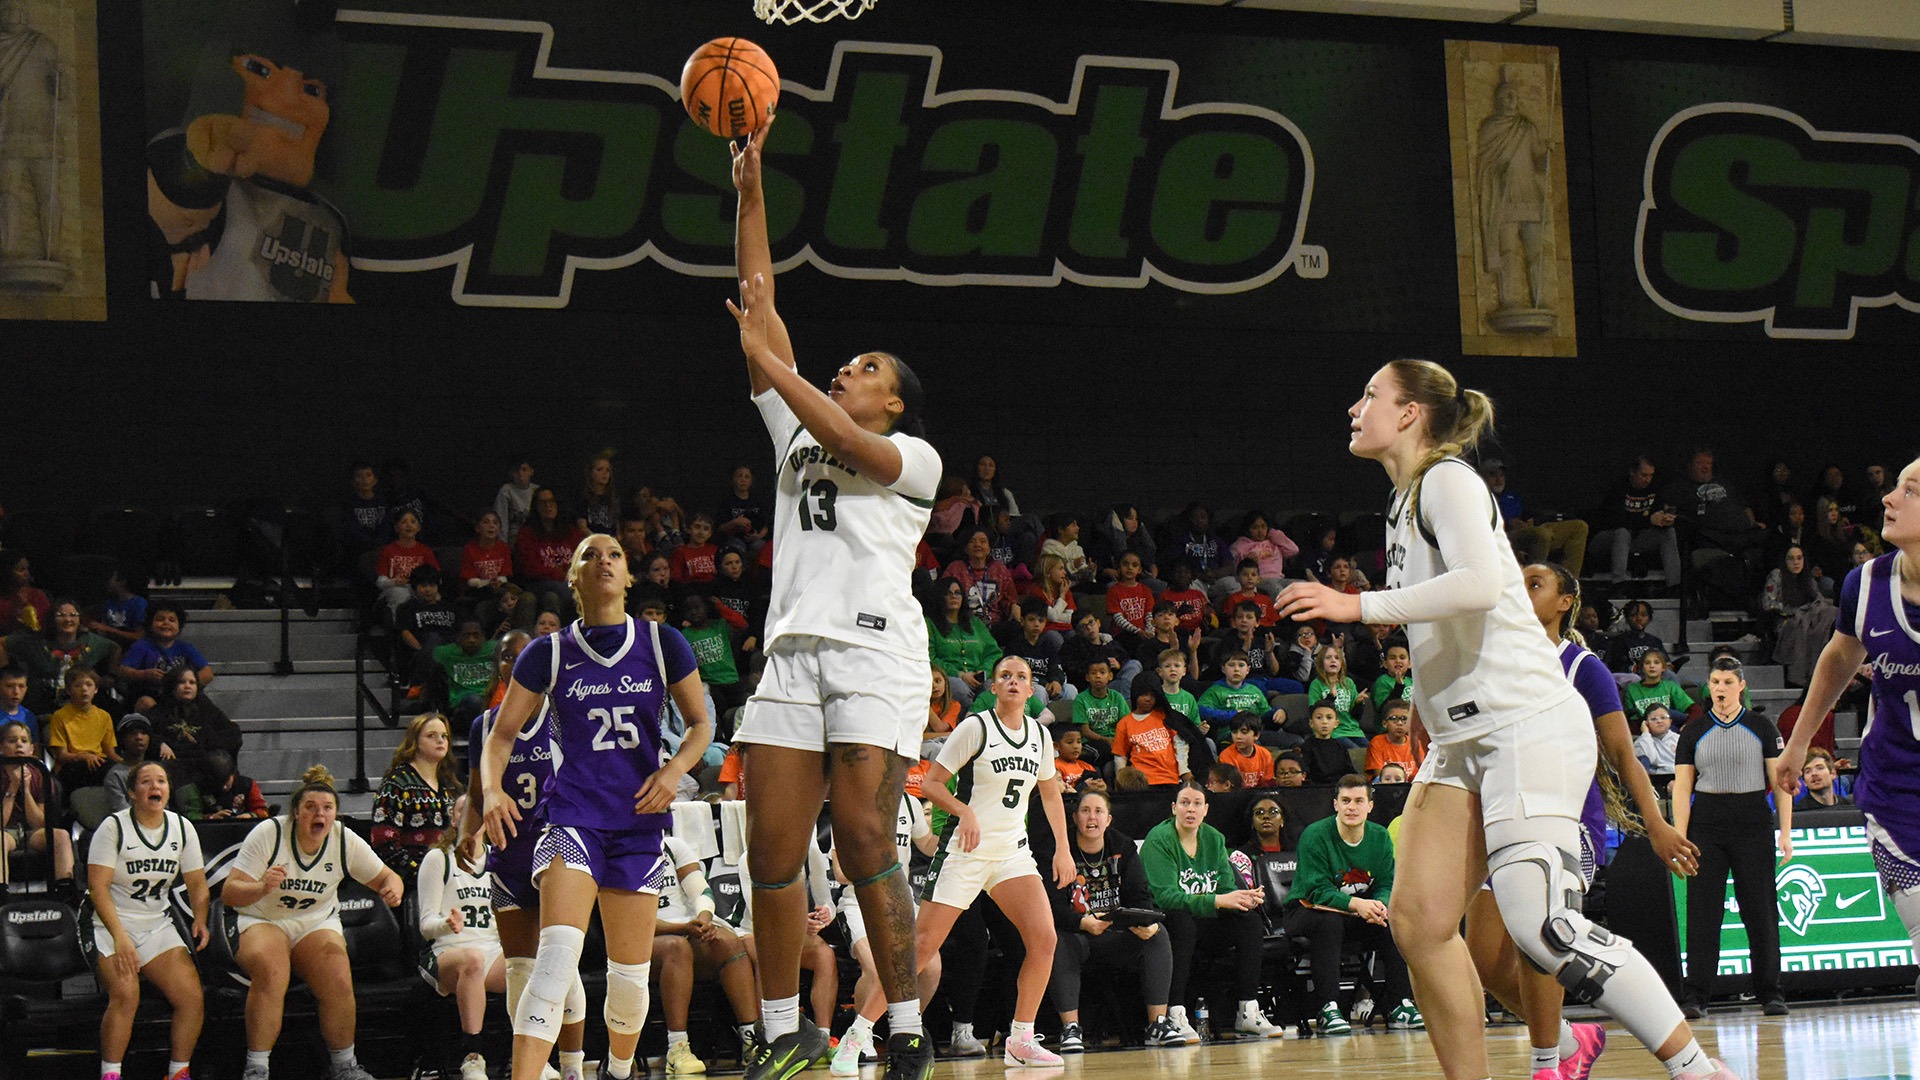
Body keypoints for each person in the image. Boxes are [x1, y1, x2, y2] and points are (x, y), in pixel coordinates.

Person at [1275, 359, 1737, 1080]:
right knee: (1419, 923)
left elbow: (1483, 584)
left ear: (1409, 414)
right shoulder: (1401, 504)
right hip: (1463, 740)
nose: (1353, 408)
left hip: (1525, 724)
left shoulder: (1447, 479)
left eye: (1370, 395)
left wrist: (1357, 605)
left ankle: (1699, 1070)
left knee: (1543, 928)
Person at [728, 119, 949, 1080]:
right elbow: (760, 299)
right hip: (792, 650)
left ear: (893, 402)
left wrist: (770, 365)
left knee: (864, 836)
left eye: (866, 370)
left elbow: (826, 419)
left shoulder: (914, 459)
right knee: (768, 857)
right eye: (844, 363)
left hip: (875, 651)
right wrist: (750, 188)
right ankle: (784, 1033)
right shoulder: (792, 431)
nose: (845, 371)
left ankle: (903, 1023)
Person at [480, 534, 710, 1080]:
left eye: (614, 555)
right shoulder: (548, 652)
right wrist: (492, 791)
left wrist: (674, 771)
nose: (602, 561)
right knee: (555, 959)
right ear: (573, 577)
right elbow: (500, 735)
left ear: (629, 576)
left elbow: (702, 725)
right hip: (573, 817)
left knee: (629, 980)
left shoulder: (662, 642)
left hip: (638, 823)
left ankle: (618, 1072)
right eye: (589, 554)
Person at [1470, 561, 1706, 1080]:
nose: (1521, 591)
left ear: (1564, 602)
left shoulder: (1583, 667)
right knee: (1486, 963)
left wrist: (1657, 823)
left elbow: (1624, 755)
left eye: (1536, 584)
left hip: (1569, 819)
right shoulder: (1496, 662)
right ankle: (1577, 1038)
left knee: (1541, 936)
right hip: (1505, 817)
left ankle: (1547, 1062)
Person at [838, 657, 1074, 1065]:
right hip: (964, 853)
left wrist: (1064, 849)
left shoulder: (1039, 734)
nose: (1014, 682)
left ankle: (1021, 1038)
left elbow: (1051, 795)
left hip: (1011, 853)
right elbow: (930, 784)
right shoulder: (975, 727)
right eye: (1006, 677)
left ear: (1032, 688)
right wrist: (963, 811)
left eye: (1022, 677)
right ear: (994, 687)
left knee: (1044, 940)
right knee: (922, 949)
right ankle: (856, 1036)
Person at [1772, 458, 1920, 991]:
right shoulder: (1867, 582)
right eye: (1895, 486)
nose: (1890, 499)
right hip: (1898, 784)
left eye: (1911, 490)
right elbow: (1837, 659)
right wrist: (1798, 744)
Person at [460, 632, 589, 1080]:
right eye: (506, 656)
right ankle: (537, 1070)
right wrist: (467, 833)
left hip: (557, 855)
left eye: (522, 654)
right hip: (508, 857)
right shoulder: (485, 727)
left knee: (559, 965)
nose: (515, 662)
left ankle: (572, 1068)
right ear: (498, 668)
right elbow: (477, 795)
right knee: (520, 968)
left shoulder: (564, 717)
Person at [223, 766, 406, 1080]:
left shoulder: (343, 839)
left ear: (335, 814)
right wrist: (260, 887)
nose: (319, 814)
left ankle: (345, 1066)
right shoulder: (270, 833)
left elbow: (389, 877)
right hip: (262, 917)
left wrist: (394, 889)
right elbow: (229, 892)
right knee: (272, 970)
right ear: (296, 812)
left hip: (313, 921)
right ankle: (256, 1068)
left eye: (327, 808)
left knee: (337, 976)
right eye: (310, 807)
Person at [1673, 657, 1791, 1018]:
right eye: (1714, 681)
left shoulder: (1761, 726)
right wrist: (1679, 837)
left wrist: (1785, 832)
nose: (1720, 688)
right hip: (1706, 824)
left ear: (1741, 685)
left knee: (1760, 909)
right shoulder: (1693, 731)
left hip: (1753, 822)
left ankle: (1770, 991)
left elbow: (1782, 782)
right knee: (1703, 911)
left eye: (1727, 681)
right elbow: (1682, 788)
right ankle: (1696, 994)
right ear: (1708, 686)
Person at [85, 761, 211, 1080]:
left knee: (192, 998)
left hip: (156, 922)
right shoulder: (113, 827)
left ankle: (178, 1071)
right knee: (126, 994)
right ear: (131, 793)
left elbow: (197, 883)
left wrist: (200, 918)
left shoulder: (182, 828)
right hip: (108, 920)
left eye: (161, 781)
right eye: (145, 782)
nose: (155, 786)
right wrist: (120, 937)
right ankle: (111, 1074)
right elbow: (97, 887)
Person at [1044, 788, 1189, 1051]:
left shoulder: (1123, 846)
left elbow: (1140, 894)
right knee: (1058, 941)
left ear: (1108, 819)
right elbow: (1051, 906)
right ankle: (1071, 1028)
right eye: (1086, 811)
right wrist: (1082, 922)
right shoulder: (1060, 850)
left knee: (1158, 934)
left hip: (1117, 932)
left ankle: (1157, 1023)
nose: (1092, 817)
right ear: (1075, 817)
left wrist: (1145, 921)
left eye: (1099, 811)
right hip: (1079, 935)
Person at [1140, 781, 1282, 1040]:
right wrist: (1219, 900)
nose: (1190, 809)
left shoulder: (1214, 838)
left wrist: (1244, 899)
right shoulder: (1159, 840)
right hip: (1169, 922)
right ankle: (1175, 1013)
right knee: (1182, 923)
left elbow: (1226, 888)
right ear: (1174, 808)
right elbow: (1166, 897)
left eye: (1196, 804)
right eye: (1184, 803)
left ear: (1205, 809)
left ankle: (1247, 1011)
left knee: (1249, 923)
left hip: (1206, 921)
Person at [1286, 775, 1420, 1035]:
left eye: (1359, 801)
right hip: (1305, 912)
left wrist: (1379, 905)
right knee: (1329, 922)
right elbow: (1317, 891)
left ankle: (1399, 1005)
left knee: (1394, 919)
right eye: (1345, 800)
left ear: (1370, 806)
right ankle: (1328, 1008)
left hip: (1355, 914)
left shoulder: (1379, 837)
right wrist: (1357, 904)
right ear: (1335, 804)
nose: (1352, 807)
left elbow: (1386, 882)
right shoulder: (1315, 835)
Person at [650, 833, 762, 1073]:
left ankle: (750, 1040)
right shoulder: (618, 849)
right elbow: (632, 920)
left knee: (728, 942)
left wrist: (703, 919)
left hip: (686, 930)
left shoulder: (672, 847)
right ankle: (677, 1048)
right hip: (641, 939)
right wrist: (681, 928)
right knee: (676, 948)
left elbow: (703, 892)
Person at [417, 799, 508, 1080]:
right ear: (454, 820)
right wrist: (447, 925)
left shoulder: (500, 859)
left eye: (478, 810)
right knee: (473, 960)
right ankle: (472, 1057)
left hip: (492, 950)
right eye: (463, 811)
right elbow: (425, 926)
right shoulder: (438, 858)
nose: (472, 816)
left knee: (531, 962)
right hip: (446, 952)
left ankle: (533, 1054)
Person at [371, 712, 461, 885]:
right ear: (415, 741)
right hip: (412, 882)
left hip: (452, 878)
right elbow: (383, 841)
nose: (440, 740)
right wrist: (419, 874)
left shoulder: (450, 784)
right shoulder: (398, 783)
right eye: (431, 736)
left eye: (444, 736)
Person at [0, 597, 120, 714]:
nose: (68, 619)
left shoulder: (91, 642)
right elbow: (2, 643)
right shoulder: (35, 641)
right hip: (40, 710)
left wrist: (111, 675)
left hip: (78, 713)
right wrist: (6, 672)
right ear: (52, 619)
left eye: (73, 615)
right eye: (61, 615)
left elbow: (115, 648)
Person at [1, 718, 76, 898]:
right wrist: (12, 787)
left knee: (61, 835)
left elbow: (40, 822)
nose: (19, 745)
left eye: (24, 741)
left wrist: (25, 789)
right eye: (12, 741)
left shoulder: (40, 774)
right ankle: (2, 892)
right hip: (6, 831)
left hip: (33, 832)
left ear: (32, 749)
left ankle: (65, 891)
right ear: (2, 747)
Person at [147, 667, 243, 797]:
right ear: (172, 685)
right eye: (182, 682)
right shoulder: (160, 710)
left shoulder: (206, 707)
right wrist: (160, 744)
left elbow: (232, 733)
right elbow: (147, 732)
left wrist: (212, 748)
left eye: (192, 683)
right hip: (175, 760)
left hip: (203, 760)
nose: (187, 686)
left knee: (220, 763)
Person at [1591, 456, 1682, 584]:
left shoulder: (1655, 489)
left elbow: (1657, 512)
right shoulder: (1619, 488)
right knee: (1622, 533)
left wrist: (1664, 520)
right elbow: (1615, 520)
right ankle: (1619, 583)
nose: (1647, 480)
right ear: (1632, 472)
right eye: (1643, 475)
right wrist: (1649, 520)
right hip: (1608, 538)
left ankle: (1674, 584)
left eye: (1650, 476)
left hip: (1637, 538)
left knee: (1669, 533)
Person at [116, 604, 214, 713]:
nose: (166, 623)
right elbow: (122, 671)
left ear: (179, 626)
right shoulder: (141, 646)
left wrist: (187, 686)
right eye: (160, 619)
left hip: (178, 695)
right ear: (150, 624)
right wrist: (144, 674)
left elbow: (207, 673)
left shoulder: (186, 648)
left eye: (172, 620)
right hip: (148, 694)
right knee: (146, 703)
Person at [925, 575, 1001, 710]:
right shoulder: (929, 624)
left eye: (957, 593)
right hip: (949, 677)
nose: (954, 597)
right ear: (939, 597)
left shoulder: (975, 623)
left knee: (993, 688)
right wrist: (960, 674)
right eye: (948, 593)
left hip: (978, 678)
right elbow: (930, 658)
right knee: (960, 689)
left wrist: (983, 671)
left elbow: (994, 652)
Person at [46, 666, 119, 790]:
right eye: (78, 685)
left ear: (96, 689)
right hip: (72, 764)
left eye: (89, 685)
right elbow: (62, 755)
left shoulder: (104, 716)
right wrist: (83, 756)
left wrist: (127, 764)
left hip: (98, 762)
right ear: (69, 690)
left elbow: (110, 753)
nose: (84, 689)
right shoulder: (60, 716)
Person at [374, 510, 440, 617]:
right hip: (396, 588)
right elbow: (380, 582)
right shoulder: (388, 550)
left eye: (413, 522)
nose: (409, 525)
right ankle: (400, 628)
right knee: (401, 595)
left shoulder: (425, 551)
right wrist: (394, 582)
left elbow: (435, 576)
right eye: (404, 522)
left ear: (418, 528)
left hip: (420, 588)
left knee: (435, 597)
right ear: (396, 528)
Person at [178, 748, 268, 821]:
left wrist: (250, 816)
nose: (224, 787)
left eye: (227, 782)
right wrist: (211, 818)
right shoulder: (197, 788)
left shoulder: (248, 785)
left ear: (232, 774)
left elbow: (264, 811)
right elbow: (191, 816)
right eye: (219, 783)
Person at [102, 714, 154, 814]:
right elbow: (122, 812)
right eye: (133, 733)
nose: (139, 737)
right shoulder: (115, 775)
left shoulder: (156, 771)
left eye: (143, 733)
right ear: (122, 739)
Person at [495, 460, 538, 545]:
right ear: (511, 474)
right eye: (516, 471)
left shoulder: (536, 490)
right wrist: (503, 546)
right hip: (515, 538)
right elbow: (501, 521)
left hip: (535, 537)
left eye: (524, 470)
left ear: (531, 471)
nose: (520, 474)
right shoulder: (506, 491)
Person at [1633, 704, 1680, 773]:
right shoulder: (1641, 742)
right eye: (1654, 719)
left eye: (1663, 717)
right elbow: (1649, 759)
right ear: (1646, 723)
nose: (1659, 721)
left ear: (1670, 721)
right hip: (1656, 780)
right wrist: (1646, 734)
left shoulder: (1679, 739)